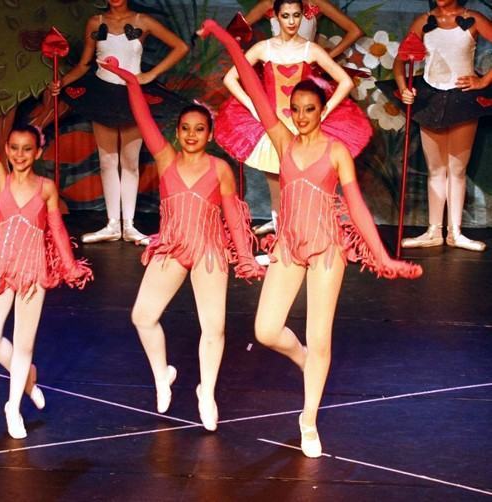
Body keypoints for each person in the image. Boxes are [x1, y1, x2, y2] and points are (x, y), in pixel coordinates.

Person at [199, 19, 421, 456]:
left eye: (309, 109)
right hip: (288, 246)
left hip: (325, 250)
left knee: (321, 337)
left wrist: (385, 259)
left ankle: (308, 419)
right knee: (265, 330)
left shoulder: (336, 152)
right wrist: (227, 39)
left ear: (322, 111)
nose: (300, 116)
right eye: (296, 109)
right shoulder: (281, 141)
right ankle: (302, 360)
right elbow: (250, 80)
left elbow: (356, 210)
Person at [98, 56, 266, 432]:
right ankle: (163, 375)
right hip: (173, 247)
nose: (192, 134)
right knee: (142, 316)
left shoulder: (219, 169)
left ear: (209, 134)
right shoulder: (165, 160)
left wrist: (245, 258)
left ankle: (207, 392)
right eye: (186, 128)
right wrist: (130, 80)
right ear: (177, 133)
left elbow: (235, 218)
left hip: (208, 251)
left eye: (200, 129)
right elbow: (142, 118)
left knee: (214, 327)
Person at [0, 70, 93, 439]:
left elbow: (57, 229)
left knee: (24, 343)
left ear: (38, 151)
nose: (20, 155)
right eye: (14, 149)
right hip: (1, 269)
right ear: (7, 151)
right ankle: (26, 379)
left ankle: (12, 407)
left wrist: (70, 266)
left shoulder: (45, 188)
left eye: (27, 149)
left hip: (33, 272)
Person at [217, 0, 369, 236]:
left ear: (303, 16)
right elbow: (230, 78)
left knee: (303, 185)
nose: (291, 21)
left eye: (296, 16)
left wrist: (325, 110)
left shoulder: (311, 50)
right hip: (272, 125)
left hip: (303, 126)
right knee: (276, 189)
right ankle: (281, 245)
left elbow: (345, 82)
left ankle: (306, 238)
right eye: (286, 16)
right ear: (275, 16)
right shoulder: (263, 49)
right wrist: (253, 107)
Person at [51, 0, 188, 245]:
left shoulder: (142, 21)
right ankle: (112, 224)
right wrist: (61, 83)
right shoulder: (96, 22)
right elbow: (84, 63)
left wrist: (151, 75)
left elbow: (180, 47)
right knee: (107, 160)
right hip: (102, 93)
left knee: (129, 161)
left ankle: (130, 225)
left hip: (132, 94)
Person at [395, 0, 492, 252]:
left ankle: (456, 233)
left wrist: (483, 81)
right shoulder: (424, 22)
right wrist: (404, 88)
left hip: (462, 98)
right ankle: (433, 231)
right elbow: (401, 61)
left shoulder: (473, 18)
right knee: (436, 168)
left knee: (456, 169)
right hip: (431, 98)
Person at [244, 0, 362, 59]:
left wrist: (326, 58)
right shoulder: (268, 4)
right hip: (275, 66)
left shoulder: (315, 3)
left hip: (306, 68)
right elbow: (235, 32)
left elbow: (355, 31)